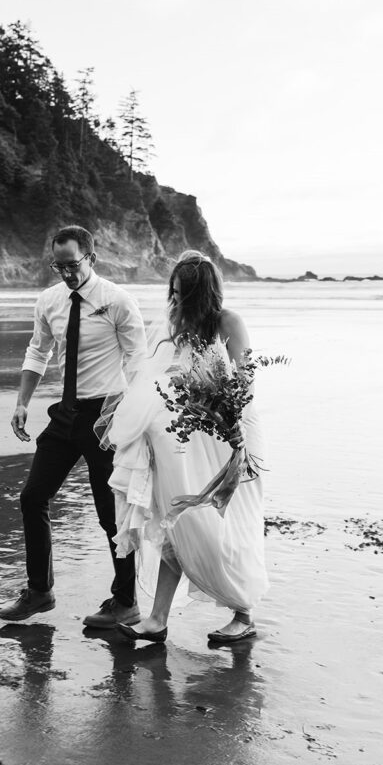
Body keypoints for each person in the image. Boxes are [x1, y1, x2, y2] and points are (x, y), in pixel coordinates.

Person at [101, 249, 269, 644]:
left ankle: (243, 613)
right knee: (174, 523)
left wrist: (205, 397)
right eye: (172, 293)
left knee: (225, 529)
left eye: (182, 295)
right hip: (185, 437)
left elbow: (245, 385)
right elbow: (162, 378)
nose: (174, 302)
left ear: (202, 294)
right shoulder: (176, 327)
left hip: (228, 438)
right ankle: (157, 619)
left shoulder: (229, 322)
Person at [0, 225, 148, 627]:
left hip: (106, 416)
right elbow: (38, 350)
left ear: (91, 259)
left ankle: (125, 600)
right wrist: (21, 402)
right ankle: (39, 591)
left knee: (110, 514)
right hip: (64, 415)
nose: (65, 273)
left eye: (72, 264)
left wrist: (135, 417)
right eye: (58, 265)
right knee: (33, 497)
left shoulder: (117, 301)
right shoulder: (49, 301)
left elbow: (138, 362)